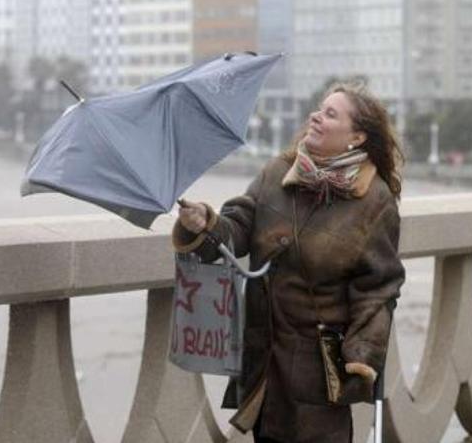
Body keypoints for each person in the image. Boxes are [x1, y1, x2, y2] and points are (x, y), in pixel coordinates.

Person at [173, 82, 405, 443]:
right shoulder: (277, 173)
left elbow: (379, 288)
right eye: (319, 108)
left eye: (330, 113)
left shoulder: (375, 202)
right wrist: (206, 223)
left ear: (357, 136)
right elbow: (237, 228)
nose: (315, 115)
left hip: (320, 369)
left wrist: (360, 358)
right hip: (265, 357)